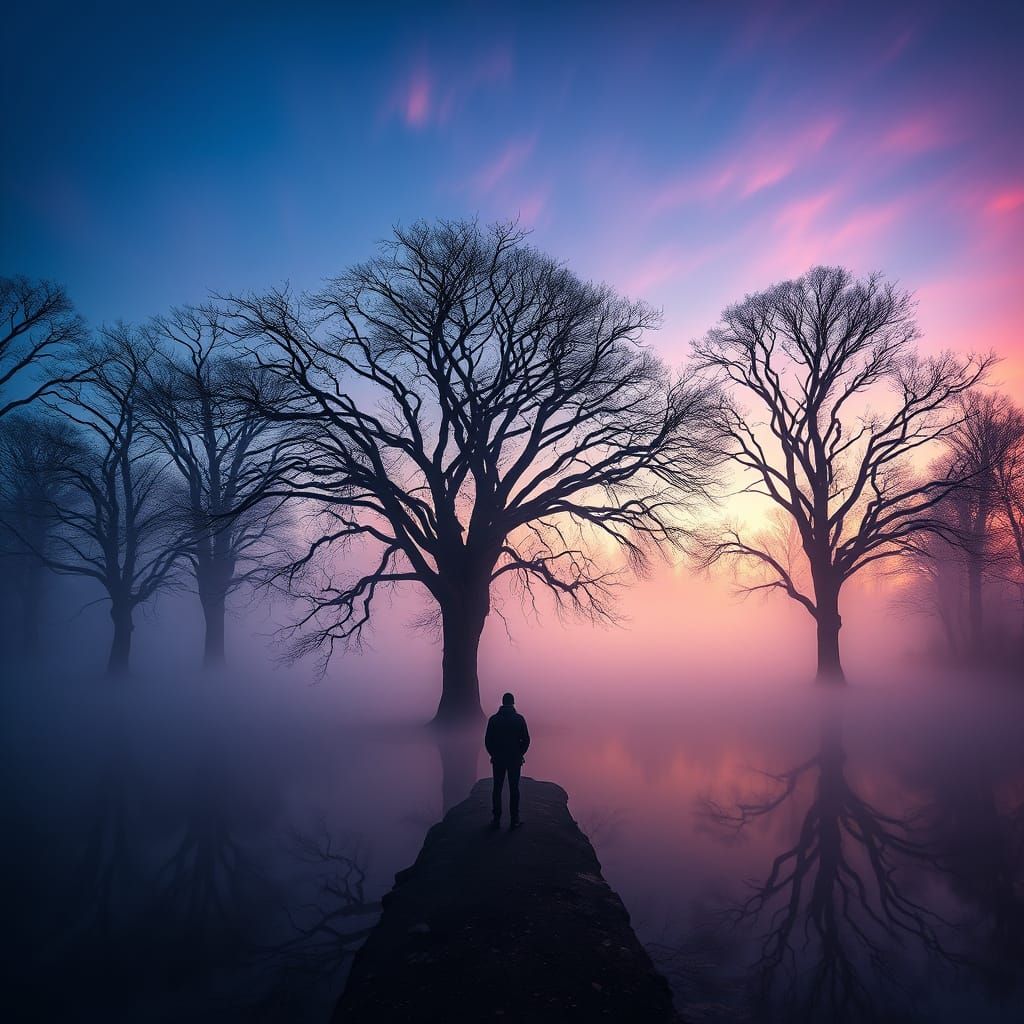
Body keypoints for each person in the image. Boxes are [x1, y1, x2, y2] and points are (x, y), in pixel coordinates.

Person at [485, 692, 530, 830]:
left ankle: (496, 819)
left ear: (502, 703)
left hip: (498, 759)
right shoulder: (519, 719)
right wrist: (520, 753)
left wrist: (493, 754)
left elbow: (488, 741)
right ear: (513, 703)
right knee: (514, 789)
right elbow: (526, 740)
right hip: (514, 760)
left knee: (497, 789)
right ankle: (514, 819)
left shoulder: (493, 719)